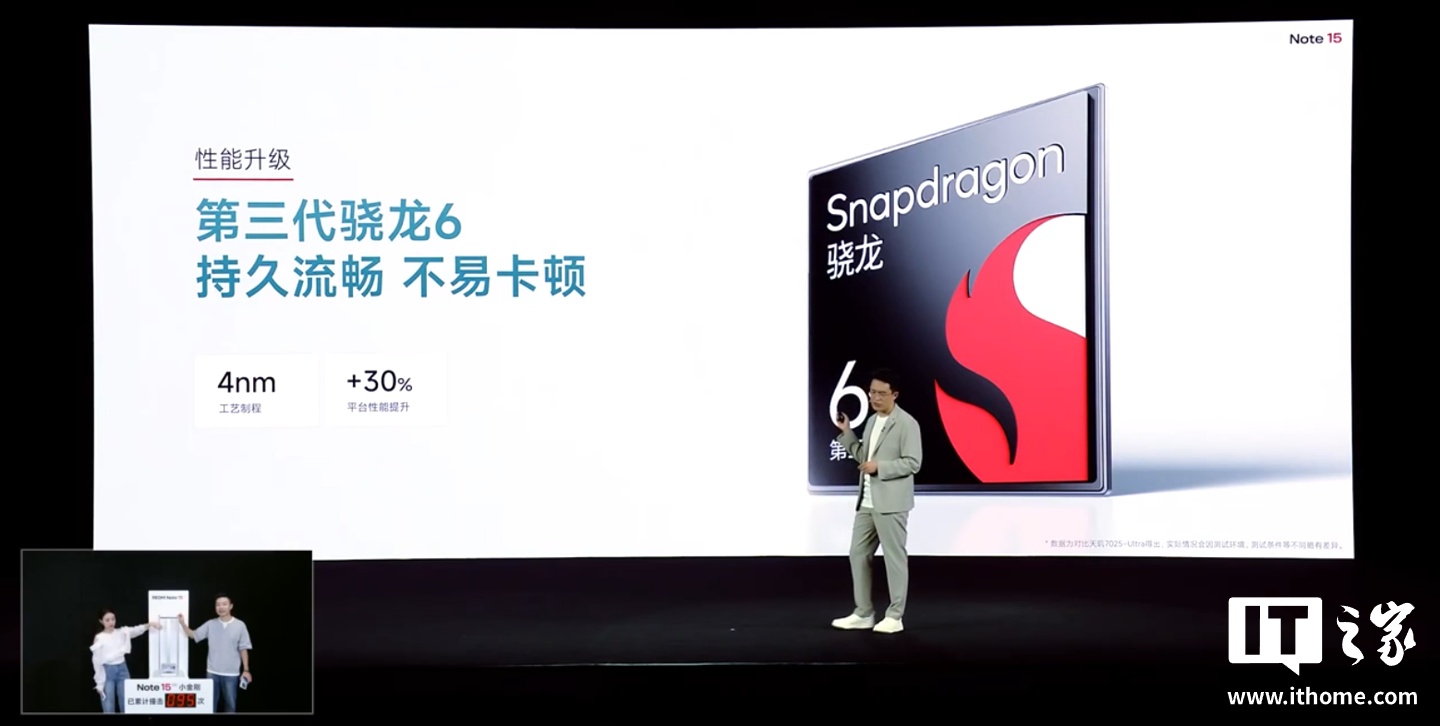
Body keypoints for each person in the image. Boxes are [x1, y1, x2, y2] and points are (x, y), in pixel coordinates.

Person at [829, 368, 923, 634]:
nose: (875, 398)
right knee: (858, 554)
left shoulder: (907, 423)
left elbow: (913, 462)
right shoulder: (871, 421)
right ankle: (863, 612)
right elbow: (863, 457)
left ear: (895, 394)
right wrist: (847, 432)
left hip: (892, 503)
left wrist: (880, 467)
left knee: (894, 559)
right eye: (872, 392)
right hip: (867, 502)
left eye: (882, 393)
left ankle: (895, 616)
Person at [178, 593, 253, 713]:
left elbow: (243, 648)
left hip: (231, 674)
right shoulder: (210, 624)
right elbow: (194, 635)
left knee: (231, 705)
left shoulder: (240, 625)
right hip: (212, 673)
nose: (221, 607)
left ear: (231, 606)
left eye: (224, 604)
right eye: (218, 604)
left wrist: (246, 670)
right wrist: (182, 623)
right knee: (210, 705)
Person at [89, 609, 160, 713]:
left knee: (126, 701)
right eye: (107, 620)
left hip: (122, 669)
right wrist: (99, 682)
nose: (111, 622)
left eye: (113, 619)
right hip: (107, 672)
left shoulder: (122, 632)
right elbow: (96, 660)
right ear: (101, 621)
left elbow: (136, 630)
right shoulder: (99, 637)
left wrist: (150, 624)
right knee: (108, 703)